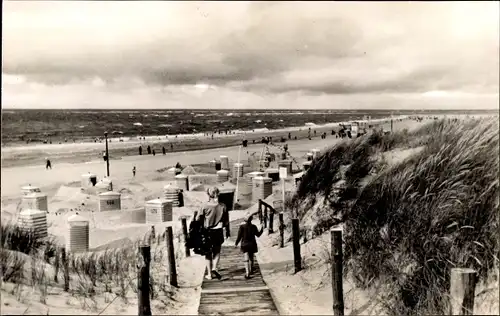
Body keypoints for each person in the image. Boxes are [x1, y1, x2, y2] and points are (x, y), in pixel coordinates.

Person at [198, 187, 229, 280]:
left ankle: (209, 274)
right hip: (218, 230)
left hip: (207, 231)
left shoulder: (204, 206)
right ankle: (214, 268)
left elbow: (198, 219)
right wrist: (227, 231)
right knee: (217, 251)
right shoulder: (223, 206)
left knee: (208, 253)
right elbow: (226, 221)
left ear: (208, 194)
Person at [235, 214, 263, 279]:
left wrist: (236, 243)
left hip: (245, 244)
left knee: (246, 258)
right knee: (251, 257)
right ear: (251, 219)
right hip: (252, 244)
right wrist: (262, 229)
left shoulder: (242, 227)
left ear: (245, 220)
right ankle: (251, 270)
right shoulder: (254, 227)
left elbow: (239, 236)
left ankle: (247, 273)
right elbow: (258, 235)